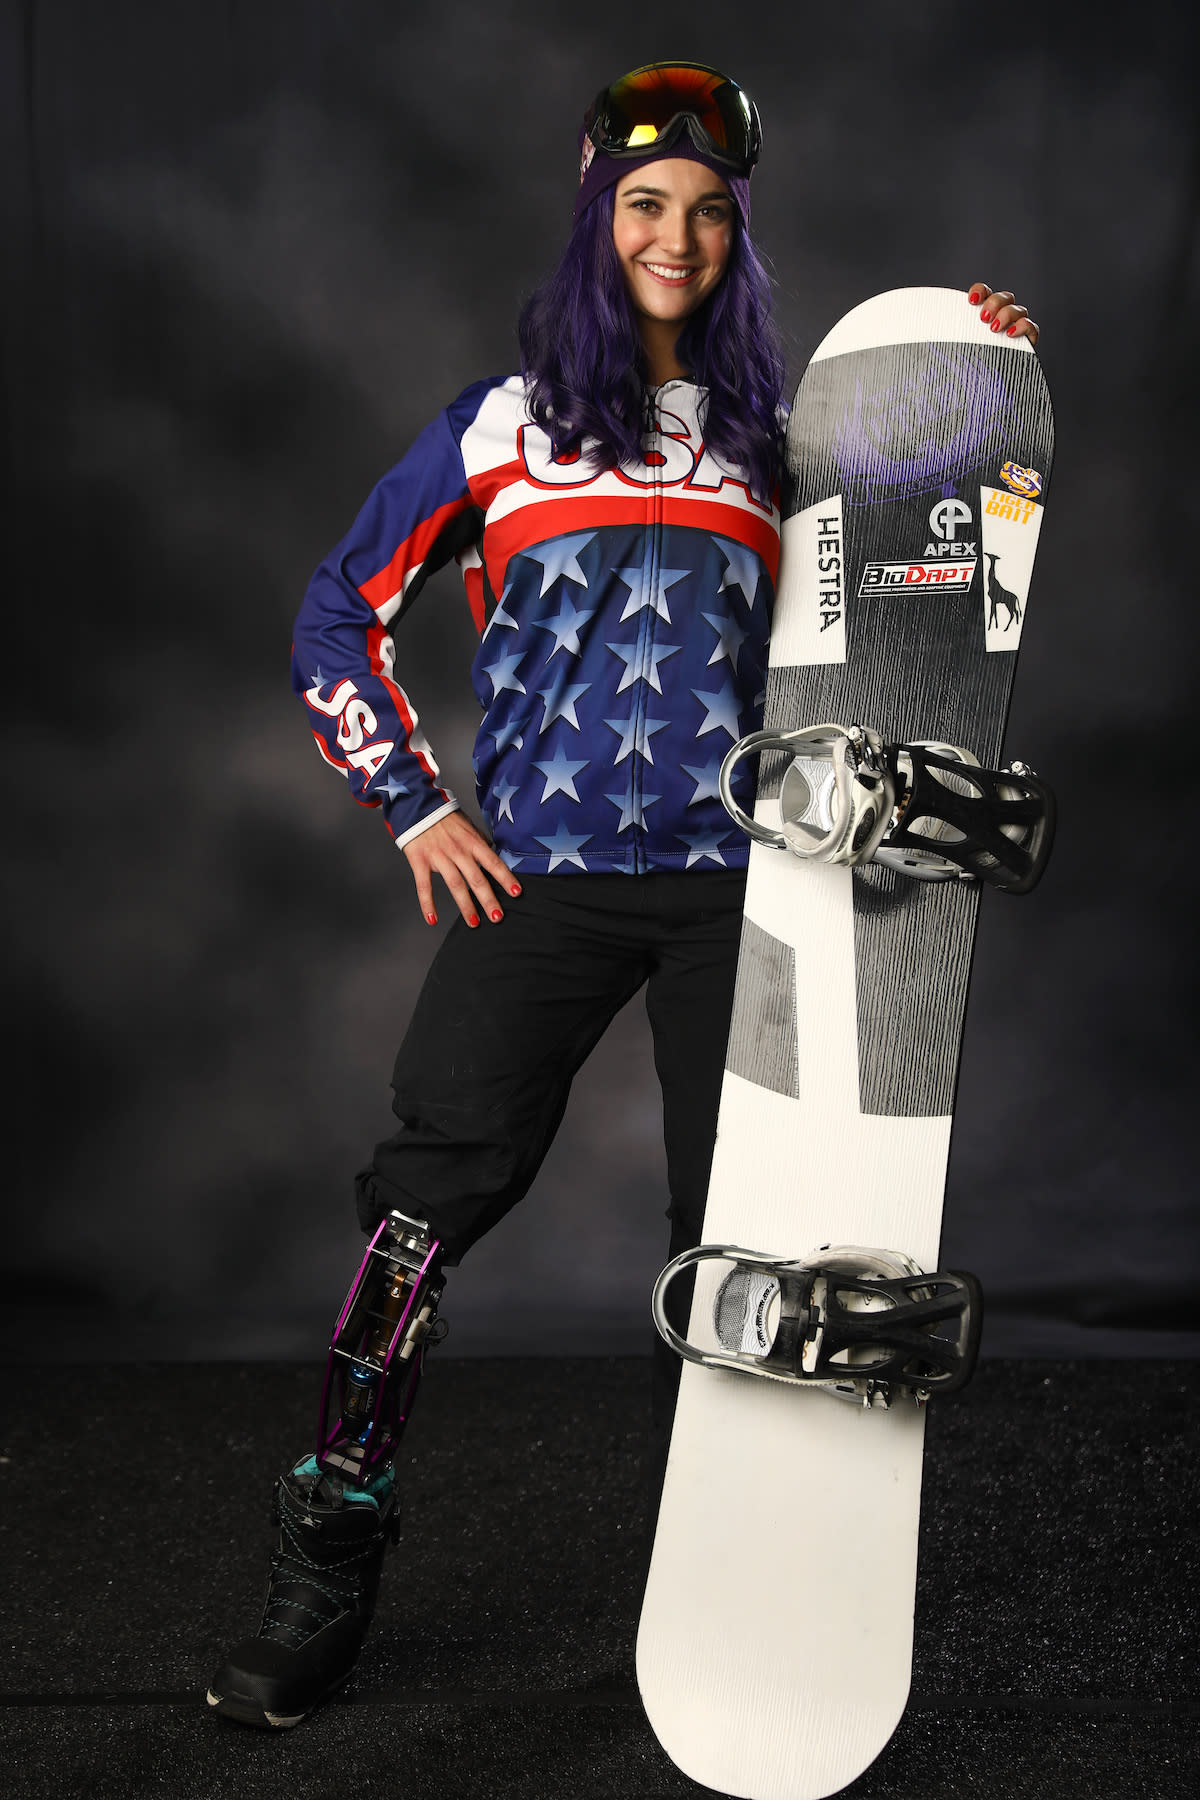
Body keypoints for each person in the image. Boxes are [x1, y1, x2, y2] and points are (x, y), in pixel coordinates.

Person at [207, 59, 1040, 1730]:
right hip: (544, 892)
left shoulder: (767, 445)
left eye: (709, 216)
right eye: (647, 208)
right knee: (419, 1219)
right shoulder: (498, 423)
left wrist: (978, 365)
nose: (678, 238)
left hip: (738, 892)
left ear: (737, 242)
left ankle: (741, 1599)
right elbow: (335, 616)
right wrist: (413, 806)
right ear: (600, 221)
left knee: (735, 1248)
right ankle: (331, 1553)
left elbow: (919, 564)